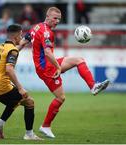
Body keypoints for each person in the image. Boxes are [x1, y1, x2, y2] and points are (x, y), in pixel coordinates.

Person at [22, 7, 110, 138]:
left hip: (46, 65)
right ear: (48, 17)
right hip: (47, 68)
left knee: (79, 60)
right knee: (60, 97)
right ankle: (45, 126)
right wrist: (57, 67)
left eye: (59, 19)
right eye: (55, 18)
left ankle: (93, 86)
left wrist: (14, 49)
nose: (57, 21)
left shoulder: (37, 27)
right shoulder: (47, 33)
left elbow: (25, 39)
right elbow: (47, 52)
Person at [0, 24, 42, 140]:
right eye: (21, 35)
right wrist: (20, 87)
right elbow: (9, 69)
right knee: (29, 102)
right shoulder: (12, 50)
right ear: (16, 35)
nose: (21, 37)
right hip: (3, 87)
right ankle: (29, 134)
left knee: (15, 101)